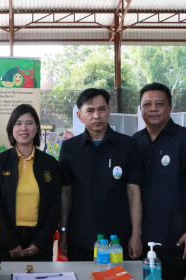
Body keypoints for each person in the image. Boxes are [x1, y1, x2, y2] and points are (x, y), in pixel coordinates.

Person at [59, 88, 142, 261]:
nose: (96, 115)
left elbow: (133, 193)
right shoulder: (70, 148)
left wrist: (136, 234)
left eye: (101, 109)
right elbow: (66, 193)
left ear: (108, 111)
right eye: (90, 110)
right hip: (80, 237)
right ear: (79, 115)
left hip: (118, 239)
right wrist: (64, 232)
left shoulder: (128, 146)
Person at [0, 104, 61, 261]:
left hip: (40, 241)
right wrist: (10, 242)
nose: (23, 128)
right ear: (11, 128)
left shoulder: (50, 164)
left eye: (29, 123)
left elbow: (55, 207)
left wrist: (40, 242)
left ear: (36, 128)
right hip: (6, 241)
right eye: (18, 123)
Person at [133, 82, 186, 280]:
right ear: (140, 109)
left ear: (170, 108)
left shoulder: (183, 139)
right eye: (147, 104)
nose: (153, 109)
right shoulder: (133, 143)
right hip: (138, 240)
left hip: (176, 240)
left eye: (159, 104)